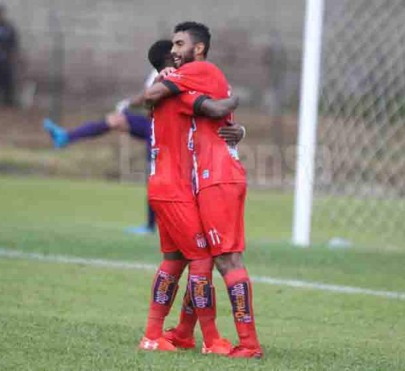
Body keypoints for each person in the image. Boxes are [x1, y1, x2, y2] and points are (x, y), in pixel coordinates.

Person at [143, 21, 263, 358]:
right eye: (172, 49)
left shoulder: (198, 74)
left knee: (215, 259)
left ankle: (240, 343)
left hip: (213, 179)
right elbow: (214, 110)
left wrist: (238, 126)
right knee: (198, 259)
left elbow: (217, 112)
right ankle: (185, 333)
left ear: (197, 49)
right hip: (192, 182)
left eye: (180, 44)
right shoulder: (178, 84)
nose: (177, 52)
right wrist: (235, 117)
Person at [43, 40, 245, 235]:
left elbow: (149, 95)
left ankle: (159, 224)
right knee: (117, 121)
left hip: (169, 131)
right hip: (156, 125)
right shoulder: (167, 72)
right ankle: (66, 137)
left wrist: (130, 102)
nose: (177, 50)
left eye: (180, 45)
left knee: (160, 174)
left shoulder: (180, 73)